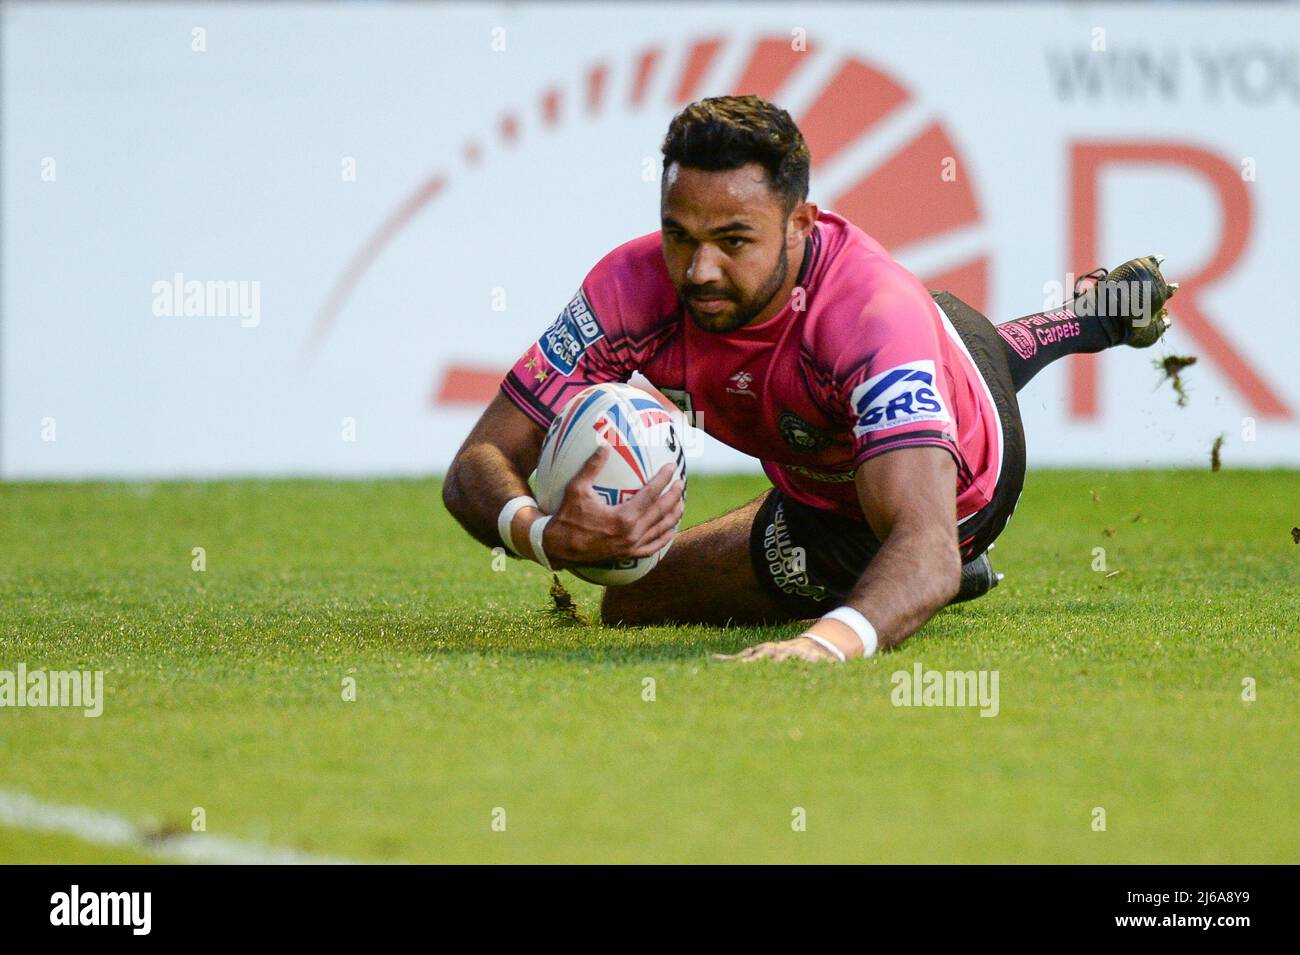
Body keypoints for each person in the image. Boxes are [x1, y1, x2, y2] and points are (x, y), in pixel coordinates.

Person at [442, 95, 1177, 663]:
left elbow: (921, 546)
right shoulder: (629, 287)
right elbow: (476, 463)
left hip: (951, 496)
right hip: (892, 386)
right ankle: (1091, 317)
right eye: (679, 235)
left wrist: (830, 641)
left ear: (801, 224)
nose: (698, 270)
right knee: (628, 598)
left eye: (734, 241)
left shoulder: (869, 314)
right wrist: (538, 532)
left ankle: (968, 562)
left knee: (664, 600)